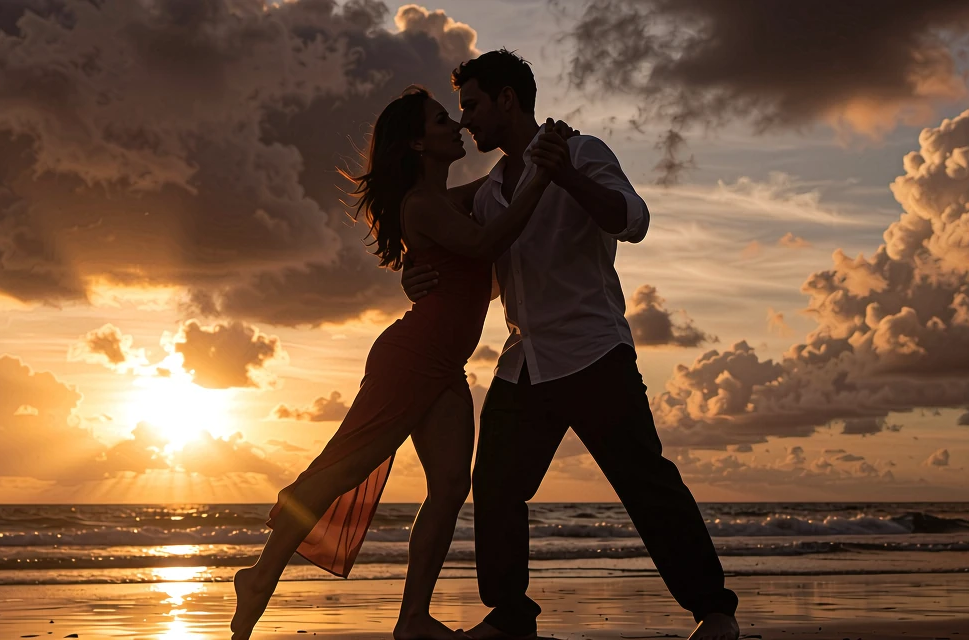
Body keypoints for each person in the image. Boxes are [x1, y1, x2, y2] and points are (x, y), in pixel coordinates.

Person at [401, 50, 742, 640]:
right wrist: (413, 267)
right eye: (459, 111)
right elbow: (426, 220)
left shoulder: (583, 152)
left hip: (593, 352)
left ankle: (715, 613)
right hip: (524, 363)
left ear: (508, 99)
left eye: (474, 106)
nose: (466, 122)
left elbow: (633, 219)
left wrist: (566, 174)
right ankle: (511, 617)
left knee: (645, 483)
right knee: (497, 487)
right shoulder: (489, 192)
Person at [229, 86, 575, 640]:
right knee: (343, 467)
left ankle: (413, 618)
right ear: (418, 141)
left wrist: (540, 151)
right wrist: (541, 177)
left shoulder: (443, 197)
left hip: (442, 366)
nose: (457, 125)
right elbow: (487, 240)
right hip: (411, 358)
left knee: (448, 488)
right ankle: (261, 575)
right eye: (443, 119)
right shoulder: (423, 203)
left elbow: (490, 188)